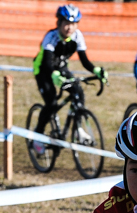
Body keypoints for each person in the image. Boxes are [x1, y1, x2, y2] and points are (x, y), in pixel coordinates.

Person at [30, 5, 107, 155]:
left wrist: (95, 70)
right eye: (66, 23)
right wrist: (54, 75)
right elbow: (47, 61)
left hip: (61, 68)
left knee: (78, 91)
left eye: (73, 24)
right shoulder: (51, 36)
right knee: (51, 103)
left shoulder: (77, 36)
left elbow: (84, 60)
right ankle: (36, 137)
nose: (69, 28)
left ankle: (78, 128)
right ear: (58, 23)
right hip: (44, 70)